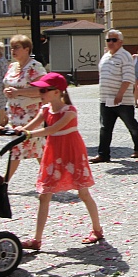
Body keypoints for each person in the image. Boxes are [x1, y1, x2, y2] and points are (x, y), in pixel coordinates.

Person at [13, 72, 102, 250]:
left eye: (45, 90)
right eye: (41, 89)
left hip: (71, 153)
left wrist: (28, 134)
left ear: (57, 92)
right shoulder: (45, 109)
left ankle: (97, 229)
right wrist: (13, 130)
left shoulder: (69, 111)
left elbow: (52, 129)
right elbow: (28, 127)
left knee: (83, 193)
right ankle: (36, 240)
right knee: (44, 195)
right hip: (54, 153)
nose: (41, 93)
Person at [91, 29, 138, 163]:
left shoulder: (125, 56)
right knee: (105, 127)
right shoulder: (105, 56)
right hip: (105, 98)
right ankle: (103, 154)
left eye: (114, 40)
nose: (110, 42)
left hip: (122, 100)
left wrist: (120, 94)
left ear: (120, 42)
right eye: (108, 40)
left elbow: (128, 78)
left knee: (131, 124)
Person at [2, 35, 47, 183]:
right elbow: (8, 85)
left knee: (18, 148)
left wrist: (17, 92)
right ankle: (50, 178)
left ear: (27, 49)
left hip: (30, 115)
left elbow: (42, 91)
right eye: (11, 47)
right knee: (36, 148)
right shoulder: (12, 66)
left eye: (16, 47)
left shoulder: (35, 67)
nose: (13, 50)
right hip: (14, 114)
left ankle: (4, 182)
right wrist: (7, 92)